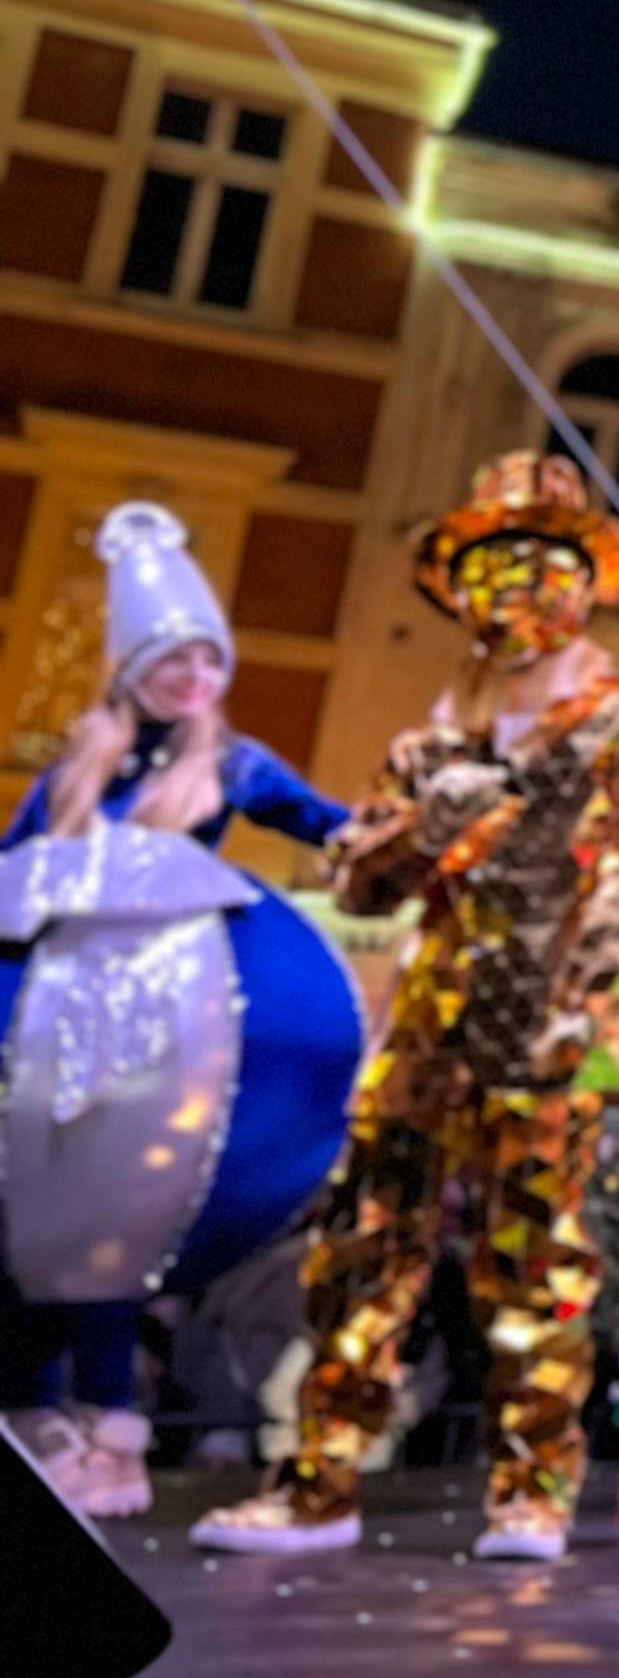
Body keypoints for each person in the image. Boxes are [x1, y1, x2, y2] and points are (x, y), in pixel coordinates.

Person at [194, 453, 619, 1563]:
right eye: (489, 566)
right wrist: (417, 825)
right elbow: (359, 883)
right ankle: (317, 1483)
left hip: (554, 1028)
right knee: (365, 1247)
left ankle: (531, 1489)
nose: (513, 588)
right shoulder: (432, 741)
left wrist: (580, 999)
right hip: (429, 1023)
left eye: (539, 563)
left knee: (535, 1261)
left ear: (584, 579)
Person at [0, 505, 357, 1518]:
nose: (197, 680)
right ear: (134, 668)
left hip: (163, 1035)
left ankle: (114, 1427)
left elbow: (329, 825)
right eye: (176, 660)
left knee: (109, 1224)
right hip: (55, 1029)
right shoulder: (81, 766)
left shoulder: (232, 763)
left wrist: (401, 839)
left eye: (211, 661)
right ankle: (37, 1414)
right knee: (32, 1219)